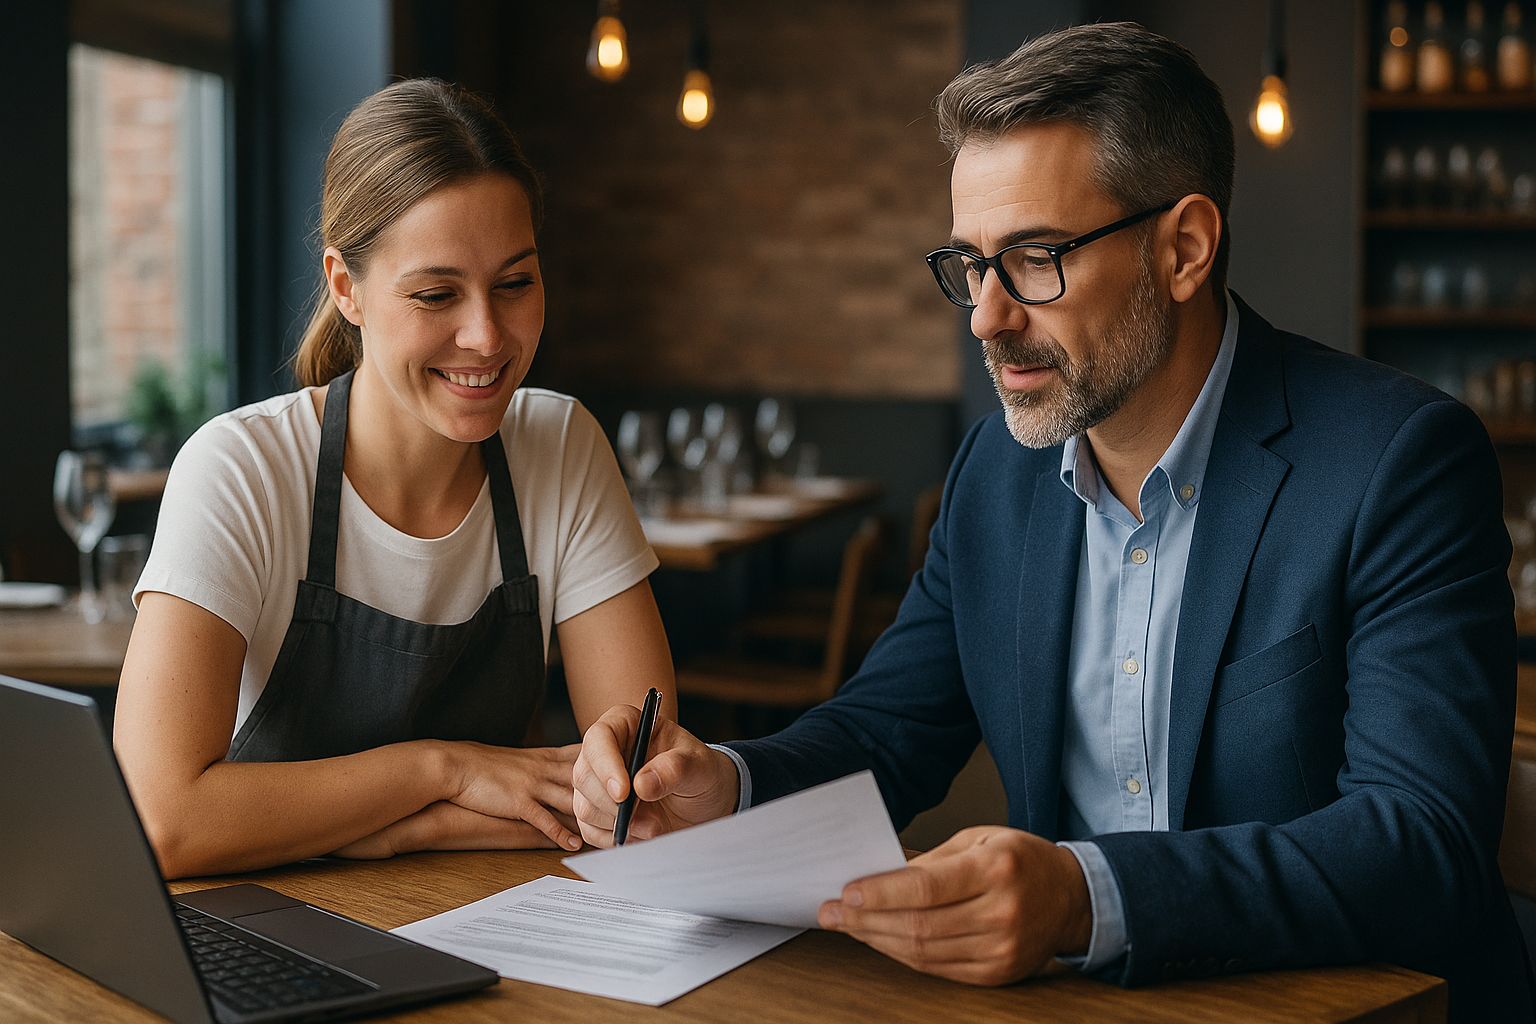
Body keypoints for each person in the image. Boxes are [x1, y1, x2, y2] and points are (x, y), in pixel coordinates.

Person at [571, 23, 1532, 1021]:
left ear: (1185, 248)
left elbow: (1421, 843)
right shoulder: (998, 470)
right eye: (970, 264)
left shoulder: (1397, 461)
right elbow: (885, 732)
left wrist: (1083, 897)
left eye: (1034, 258)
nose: (986, 316)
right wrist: (725, 786)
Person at [114, 79, 675, 879]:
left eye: (514, 283)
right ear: (347, 287)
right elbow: (161, 819)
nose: (486, 335)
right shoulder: (239, 469)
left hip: (496, 921)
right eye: (436, 294)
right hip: (264, 937)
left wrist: (399, 830)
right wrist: (444, 771)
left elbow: (638, 794)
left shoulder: (560, 446)